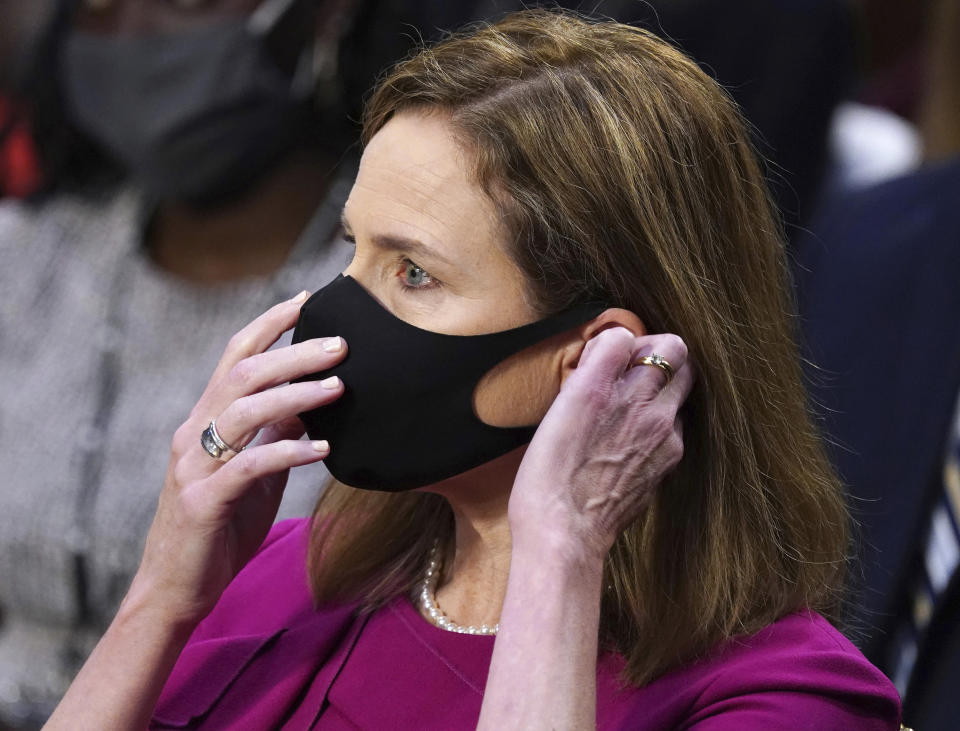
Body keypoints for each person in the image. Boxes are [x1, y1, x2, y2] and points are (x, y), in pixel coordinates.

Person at [46, 10, 901, 729]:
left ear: (597, 357)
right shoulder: (293, 573)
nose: (334, 316)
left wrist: (561, 551)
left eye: (413, 272)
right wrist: (160, 596)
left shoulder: (784, 693)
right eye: (355, 250)